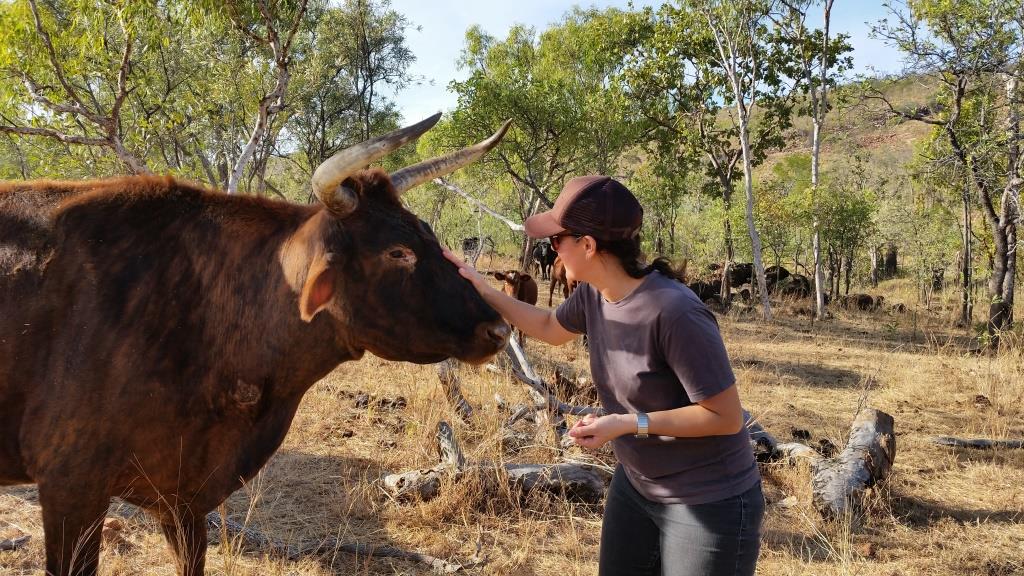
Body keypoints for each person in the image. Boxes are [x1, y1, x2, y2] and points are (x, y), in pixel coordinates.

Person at [443, 175, 763, 576]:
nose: (552, 250)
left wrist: (627, 424)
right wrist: (481, 287)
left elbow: (725, 417)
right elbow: (548, 327)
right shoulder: (595, 294)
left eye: (556, 241)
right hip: (638, 486)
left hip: (708, 500)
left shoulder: (675, 312)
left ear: (588, 245)